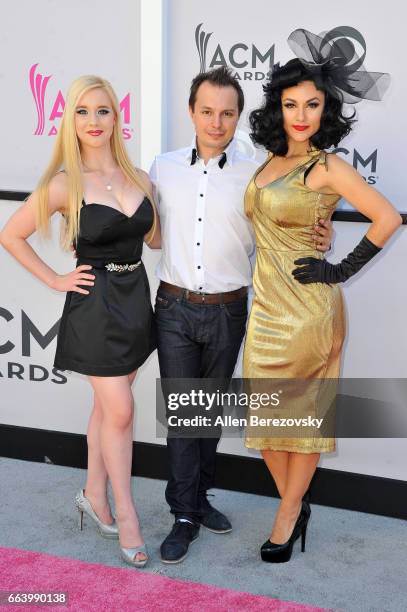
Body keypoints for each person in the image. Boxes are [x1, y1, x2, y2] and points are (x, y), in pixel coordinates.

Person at [150, 66, 333, 564]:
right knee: (184, 417)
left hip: (231, 309)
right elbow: (148, 229)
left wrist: (325, 231)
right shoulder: (161, 167)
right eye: (206, 112)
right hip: (174, 306)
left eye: (227, 113)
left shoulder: (258, 170)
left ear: (238, 117)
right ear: (191, 112)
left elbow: (294, 213)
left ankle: (200, 499)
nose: (216, 122)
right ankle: (182, 514)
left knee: (208, 413)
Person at [243, 27, 402, 563]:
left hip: (310, 311)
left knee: (302, 420)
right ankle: (297, 501)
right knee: (267, 425)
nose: (302, 114)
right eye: (291, 104)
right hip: (264, 310)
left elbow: (386, 218)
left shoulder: (327, 165)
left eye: (312, 104)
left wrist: (338, 270)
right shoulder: (268, 162)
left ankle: (287, 515)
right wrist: (321, 225)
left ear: (325, 109)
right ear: (278, 109)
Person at [0, 75, 160, 568]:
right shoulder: (64, 184)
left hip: (136, 300)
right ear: (69, 120)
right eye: (83, 112)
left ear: (117, 118)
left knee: (107, 409)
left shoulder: (139, 177)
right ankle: (126, 514)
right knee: (121, 412)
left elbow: (154, 241)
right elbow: (11, 234)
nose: (94, 121)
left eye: (103, 111)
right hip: (94, 307)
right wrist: (53, 279)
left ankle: (93, 493)